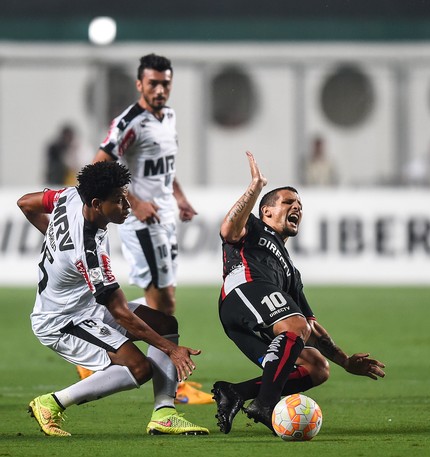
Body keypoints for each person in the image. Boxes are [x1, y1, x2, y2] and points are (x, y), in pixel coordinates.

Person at [17, 161, 208, 437]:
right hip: (62, 321)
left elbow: (25, 203)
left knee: (164, 322)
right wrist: (171, 349)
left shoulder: (70, 195)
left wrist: (55, 240)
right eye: (119, 201)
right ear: (96, 203)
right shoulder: (89, 252)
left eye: (126, 197)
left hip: (85, 306)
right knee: (139, 368)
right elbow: (120, 313)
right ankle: (52, 403)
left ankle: (164, 415)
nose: (127, 206)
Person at [211, 151, 386, 435]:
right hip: (242, 292)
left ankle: (235, 392)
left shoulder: (291, 272)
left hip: (250, 320)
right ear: (267, 211)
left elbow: (311, 326)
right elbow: (228, 230)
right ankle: (265, 404)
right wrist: (255, 189)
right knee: (295, 326)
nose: (297, 208)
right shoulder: (254, 228)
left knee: (317, 366)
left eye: (300, 205)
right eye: (288, 202)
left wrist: (344, 361)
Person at [92, 53, 211, 404]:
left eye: (166, 83)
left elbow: (165, 168)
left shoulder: (168, 117)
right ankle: (170, 383)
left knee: (165, 304)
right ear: (139, 84)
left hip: (165, 217)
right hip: (140, 221)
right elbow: (100, 163)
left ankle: (103, 323)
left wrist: (181, 197)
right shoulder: (130, 121)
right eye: (153, 83)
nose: (160, 89)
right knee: (164, 303)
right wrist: (134, 201)